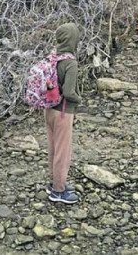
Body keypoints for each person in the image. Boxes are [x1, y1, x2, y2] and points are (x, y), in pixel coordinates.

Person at [45, 23, 82, 204]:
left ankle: (53, 182)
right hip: (63, 112)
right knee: (63, 152)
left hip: (49, 110)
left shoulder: (53, 56)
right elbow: (69, 92)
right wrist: (79, 100)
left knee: (53, 148)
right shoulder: (70, 63)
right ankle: (58, 191)